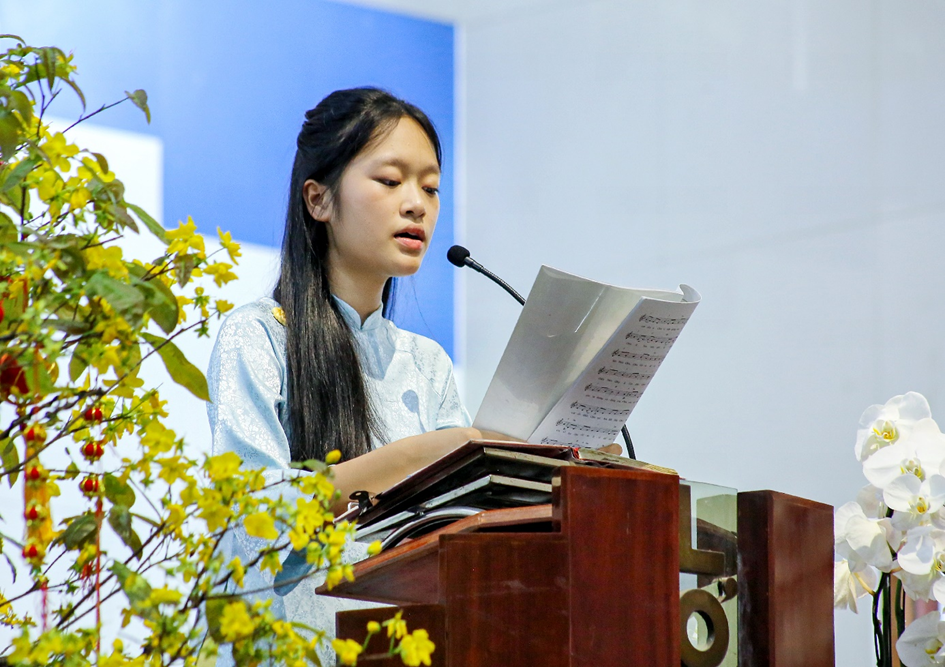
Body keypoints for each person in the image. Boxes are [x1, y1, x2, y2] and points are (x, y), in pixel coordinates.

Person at [206, 88, 487, 665]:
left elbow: (461, 527)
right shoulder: (257, 336)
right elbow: (256, 517)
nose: (417, 205)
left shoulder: (428, 363)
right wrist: (423, 455)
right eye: (391, 180)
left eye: (431, 188)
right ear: (319, 199)